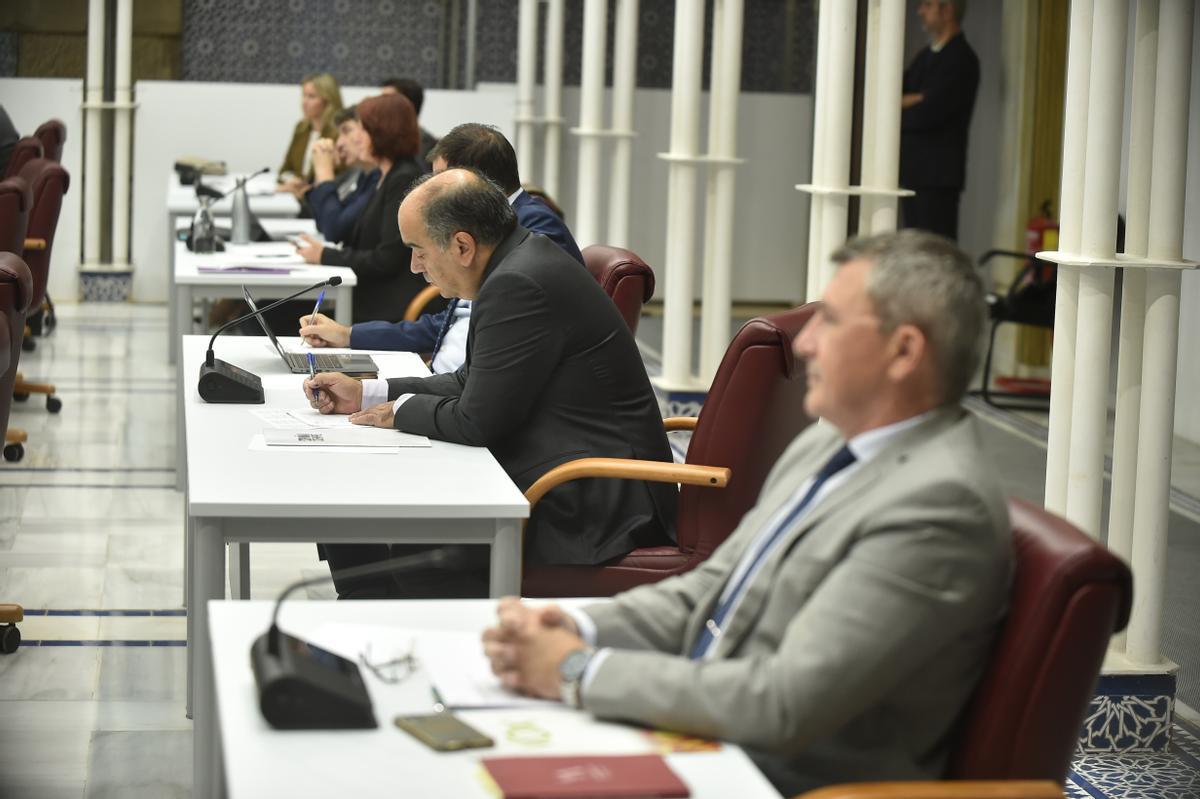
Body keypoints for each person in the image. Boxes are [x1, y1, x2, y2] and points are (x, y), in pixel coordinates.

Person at [480, 230, 1013, 796]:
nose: (805, 345)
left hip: (773, 778)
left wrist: (577, 672)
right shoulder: (830, 442)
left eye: (830, 321)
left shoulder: (938, 506)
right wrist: (577, 627)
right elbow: (710, 588)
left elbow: (783, 703)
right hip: (704, 737)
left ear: (904, 351)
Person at [303, 169, 676, 599]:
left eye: (418, 250)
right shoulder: (516, 264)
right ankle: (369, 616)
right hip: (560, 465)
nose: (414, 266)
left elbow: (476, 420)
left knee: (419, 546)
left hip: (591, 500)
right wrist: (367, 392)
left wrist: (398, 412)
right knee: (361, 497)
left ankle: (415, 644)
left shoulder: (518, 281)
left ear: (462, 245)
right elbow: (470, 380)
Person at [298, 123, 583, 372]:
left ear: (472, 184)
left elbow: (515, 340)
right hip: (451, 378)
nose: (431, 195)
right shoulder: (486, 227)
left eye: (438, 183)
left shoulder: (535, 230)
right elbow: (448, 323)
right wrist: (349, 335)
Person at [293, 93, 426, 324]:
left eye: (362, 130)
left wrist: (325, 254)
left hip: (386, 306)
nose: (356, 140)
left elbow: (386, 259)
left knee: (273, 315)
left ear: (382, 132)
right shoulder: (383, 176)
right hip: (369, 294)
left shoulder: (403, 178)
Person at [899, 0, 980, 241]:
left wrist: (917, 101)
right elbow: (894, 96)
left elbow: (928, 113)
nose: (920, 11)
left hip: (938, 178)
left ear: (947, 10)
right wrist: (918, 97)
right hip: (914, 172)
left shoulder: (962, 60)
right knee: (913, 251)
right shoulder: (925, 57)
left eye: (927, 5)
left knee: (936, 250)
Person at [306, 106, 379, 244]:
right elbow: (324, 225)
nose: (339, 144)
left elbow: (335, 231)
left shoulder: (382, 177)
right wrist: (321, 178)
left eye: (347, 131)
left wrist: (324, 174)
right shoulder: (365, 175)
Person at [278, 73, 343, 199]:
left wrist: (305, 187)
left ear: (328, 100)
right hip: (294, 198)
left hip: (322, 200)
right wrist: (292, 180)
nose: (304, 102)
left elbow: (340, 177)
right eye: (304, 95)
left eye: (311, 96)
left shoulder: (338, 134)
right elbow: (284, 170)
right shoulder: (301, 128)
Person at [380, 77, 439, 166]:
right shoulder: (389, 141)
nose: (380, 105)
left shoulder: (424, 144)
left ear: (407, 105)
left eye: (387, 100)